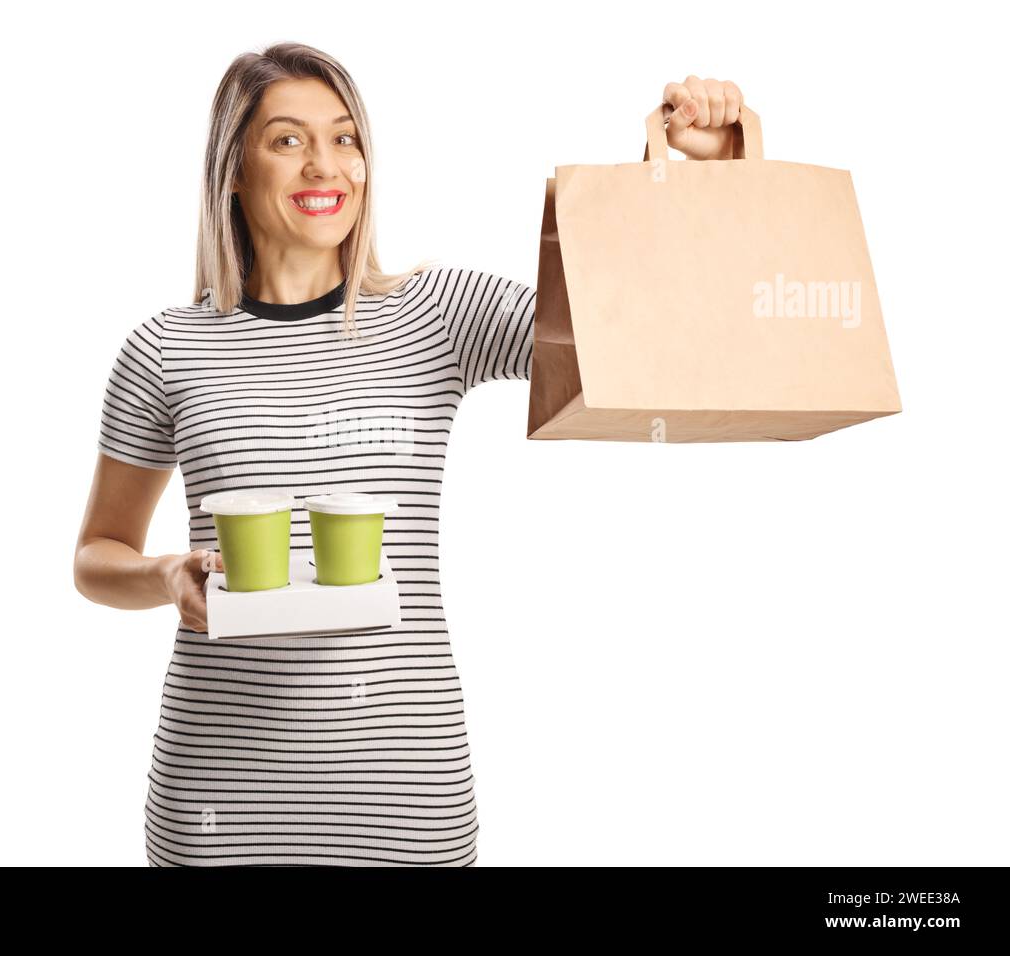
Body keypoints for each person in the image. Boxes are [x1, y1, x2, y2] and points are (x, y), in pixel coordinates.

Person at [74, 42, 745, 866]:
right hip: (217, 800)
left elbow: (636, 341)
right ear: (232, 172)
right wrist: (165, 577)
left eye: (346, 137)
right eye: (287, 140)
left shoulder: (436, 313)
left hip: (409, 804)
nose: (326, 163)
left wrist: (708, 176)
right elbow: (95, 554)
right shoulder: (166, 349)